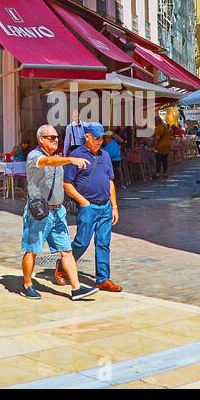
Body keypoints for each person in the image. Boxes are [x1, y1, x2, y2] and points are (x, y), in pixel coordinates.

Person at [20, 124, 96, 300]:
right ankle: (27, 284)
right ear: (41, 139)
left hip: (57, 212)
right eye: (51, 137)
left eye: (56, 137)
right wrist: (70, 160)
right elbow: (46, 162)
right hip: (39, 212)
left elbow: (61, 182)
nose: (55, 140)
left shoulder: (57, 158)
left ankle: (76, 288)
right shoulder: (35, 156)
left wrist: (79, 199)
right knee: (32, 249)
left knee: (66, 250)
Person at [58, 123, 122, 293]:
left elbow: (110, 182)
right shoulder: (76, 155)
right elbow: (66, 183)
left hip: (105, 207)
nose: (100, 141)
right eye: (96, 138)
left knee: (103, 243)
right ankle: (63, 265)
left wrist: (114, 206)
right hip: (88, 207)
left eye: (102, 138)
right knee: (82, 242)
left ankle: (103, 279)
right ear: (87, 137)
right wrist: (83, 201)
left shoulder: (106, 156)